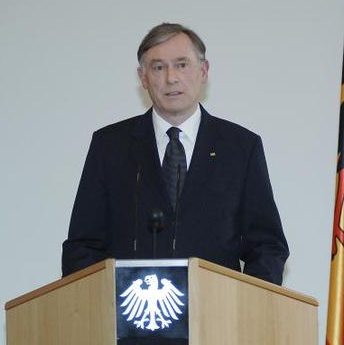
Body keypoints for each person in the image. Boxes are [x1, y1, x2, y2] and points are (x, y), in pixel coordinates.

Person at [61, 23, 289, 285]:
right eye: (158, 67)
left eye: (182, 65)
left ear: (203, 71)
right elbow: (82, 248)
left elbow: (267, 247)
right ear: (143, 77)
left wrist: (246, 308)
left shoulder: (240, 147)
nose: (171, 78)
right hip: (128, 315)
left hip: (217, 314)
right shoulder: (110, 146)